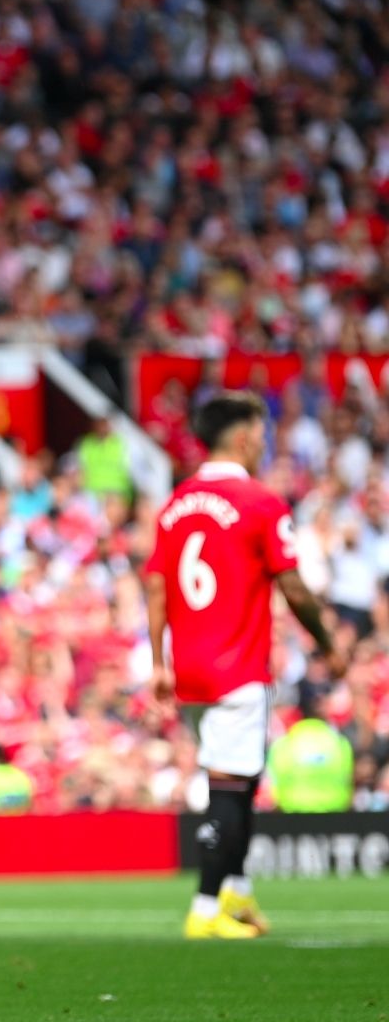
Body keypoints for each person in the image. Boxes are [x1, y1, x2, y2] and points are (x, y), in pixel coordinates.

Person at [147, 390, 341, 940]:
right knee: (229, 789)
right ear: (241, 438)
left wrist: (159, 660)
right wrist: (328, 642)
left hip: (188, 669)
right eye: (260, 434)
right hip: (236, 666)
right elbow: (296, 589)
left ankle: (238, 892)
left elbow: (157, 585)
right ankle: (206, 911)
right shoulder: (261, 502)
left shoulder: (174, 503)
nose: (264, 444)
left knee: (242, 778)